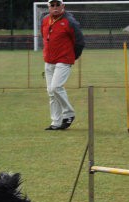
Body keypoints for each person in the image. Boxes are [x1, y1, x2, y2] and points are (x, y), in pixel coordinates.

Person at [41, 0, 85, 130]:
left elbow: (80, 42)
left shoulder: (70, 22)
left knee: (55, 87)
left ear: (63, 6)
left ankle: (69, 113)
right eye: (52, 5)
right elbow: (45, 38)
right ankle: (56, 122)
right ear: (49, 7)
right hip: (48, 61)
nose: (55, 7)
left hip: (64, 60)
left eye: (58, 5)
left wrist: (72, 56)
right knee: (51, 92)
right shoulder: (44, 20)